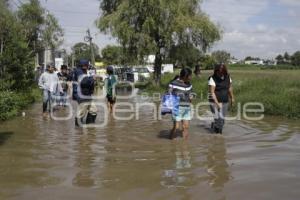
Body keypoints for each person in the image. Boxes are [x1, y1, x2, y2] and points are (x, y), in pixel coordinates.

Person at [208, 64, 235, 134]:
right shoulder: (212, 78)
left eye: (222, 72)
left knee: (222, 120)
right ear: (216, 71)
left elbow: (230, 88)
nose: (220, 74)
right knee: (218, 118)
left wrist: (232, 97)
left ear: (224, 71)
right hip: (213, 101)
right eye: (219, 72)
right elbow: (212, 93)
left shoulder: (228, 77)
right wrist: (217, 103)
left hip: (225, 101)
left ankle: (215, 127)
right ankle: (219, 136)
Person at [169, 68, 194, 140]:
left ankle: (185, 147)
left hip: (187, 107)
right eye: (190, 76)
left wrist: (191, 96)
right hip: (177, 108)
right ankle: (171, 141)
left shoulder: (189, 84)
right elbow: (168, 94)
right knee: (176, 127)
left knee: (186, 127)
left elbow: (192, 92)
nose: (191, 77)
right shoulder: (173, 83)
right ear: (185, 76)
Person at [73, 60, 97, 126]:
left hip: (87, 95)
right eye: (87, 65)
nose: (88, 66)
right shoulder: (79, 71)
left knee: (93, 111)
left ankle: (90, 127)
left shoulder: (84, 71)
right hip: (82, 95)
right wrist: (92, 78)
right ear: (84, 65)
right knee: (81, 112)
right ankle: (78, 130)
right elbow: (84, 81)